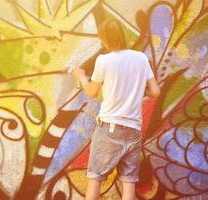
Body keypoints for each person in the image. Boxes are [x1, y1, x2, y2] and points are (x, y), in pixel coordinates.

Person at [72, 19, 160, 200]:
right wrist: (134, 88)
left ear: (104, 39)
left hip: (110, 128)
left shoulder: (104, 60)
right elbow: (155, 91)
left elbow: (91, 91)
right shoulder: (141, 58)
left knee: (95, 178)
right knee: (128, 182)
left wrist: (81, 76)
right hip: (134, 130)